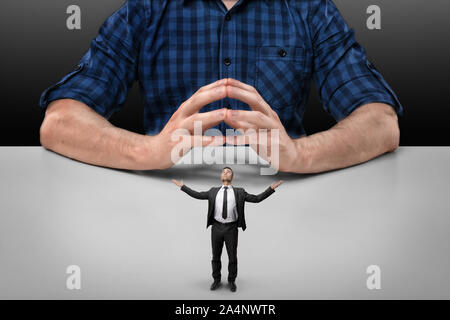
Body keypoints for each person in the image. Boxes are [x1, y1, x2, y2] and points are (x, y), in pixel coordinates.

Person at [39, 0, 403, 173]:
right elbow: (60, 123)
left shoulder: (309, 9)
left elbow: (380, 123)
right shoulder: (147, 9)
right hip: (163, 200)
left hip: (284, 195)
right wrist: (145, 151)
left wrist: (301, 154)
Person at [172, 167, 283, 292]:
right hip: (216, 228)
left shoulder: (239, 192)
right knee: (215, 256)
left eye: (228, 171)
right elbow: (197, 195)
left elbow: (257, 199)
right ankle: (216, 280)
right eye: (223, 171)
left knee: (232, 257)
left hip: (231, 228)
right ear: (221, 176)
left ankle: (231, 281)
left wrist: (270, 189)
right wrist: (183, 186)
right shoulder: (213, 191)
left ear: (232, 177)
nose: (225, 172)